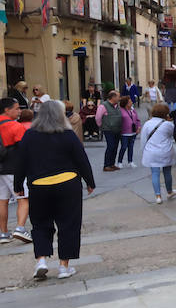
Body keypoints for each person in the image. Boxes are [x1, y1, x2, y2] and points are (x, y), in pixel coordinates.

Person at [12, 100, 95, 280]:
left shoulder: (30, 136)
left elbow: (21, 162)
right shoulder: (67, 135)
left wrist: (18, 185)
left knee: (41, 223)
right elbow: (81, 159)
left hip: (39, 186)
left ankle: (41, 260)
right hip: (68, 184)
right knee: (69, 224)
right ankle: (64, 267)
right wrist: (90, 181)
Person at [0, 97, 32, 244]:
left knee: (2, 201)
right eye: (17, 108)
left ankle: (4, 233)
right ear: (7, 110)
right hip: (13, 168)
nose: (19, 111)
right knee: (23, 198)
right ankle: (20, 228)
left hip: (1, 168)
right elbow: (25, 149)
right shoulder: (15, 126)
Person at [139, 102, 176, 204]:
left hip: (152, 152)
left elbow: (143, 139)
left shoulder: (147, 124)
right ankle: (169, 191)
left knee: (155, 173)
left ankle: (158, 196)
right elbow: (173, 135)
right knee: (167, 172)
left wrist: (143, 150)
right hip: (165, 151)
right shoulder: (168, 124)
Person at [94, 90, 123, 172]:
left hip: (117, 129)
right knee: (111, 146)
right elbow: (98, 117)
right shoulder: (103, 106)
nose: (119, 98)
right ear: (113, 97)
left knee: (115, 146)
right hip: (108, 129)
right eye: (118, 96)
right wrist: (101, 126)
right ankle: (106, 165)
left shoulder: (117, 105)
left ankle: (112, 164)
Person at [116, 96, 141, 167]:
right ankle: (119, 162)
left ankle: (130, 161)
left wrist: (138, 127)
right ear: (126, 103)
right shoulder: (120, 110)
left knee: (131, 147)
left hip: (133, 131)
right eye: (130, 102)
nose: (131, 103)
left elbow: (137, 119)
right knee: (123, 147)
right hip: (124, 132)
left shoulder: (133, 110)